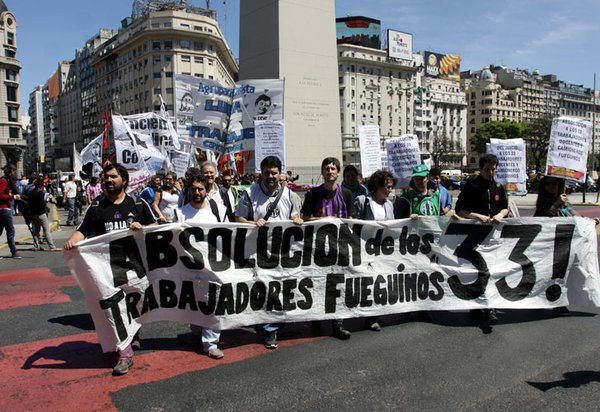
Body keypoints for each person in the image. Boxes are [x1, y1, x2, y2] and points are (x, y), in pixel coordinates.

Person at [64, 163, 157, 376]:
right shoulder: (97, 208)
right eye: (105, 177)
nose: (108, 180)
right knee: (113, 310)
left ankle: (133, 333)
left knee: (138, 306)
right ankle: (124, 354)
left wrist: (142, 228)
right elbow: (82, 232)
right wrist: (72, 240)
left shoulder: (138, 204)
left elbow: (156, 226)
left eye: (113, 177)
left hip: (135, 268)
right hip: (106, 270)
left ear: (124, 180)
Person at [235, 155, 304, 349]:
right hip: (259, 252)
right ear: (261, 173)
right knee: (265, 289)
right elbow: (239, 218)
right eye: (267, 173)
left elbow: (294, 214)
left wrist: (297, 219)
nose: (271, 176)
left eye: (274, 173)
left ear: (280, 173)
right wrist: (252, 223)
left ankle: (277, 322)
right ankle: (270, 330)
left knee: (282, 287)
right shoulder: (250, 193)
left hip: (283, 251)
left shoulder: (288, 194)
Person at [175, 175, 229, 359]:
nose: (197, 193)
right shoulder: (180, 213)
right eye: (193, 189)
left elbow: (230, 235)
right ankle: (198, 332)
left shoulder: (219, 210)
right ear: (188, 190)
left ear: (207, 190)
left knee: (213, 303)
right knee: (195, 303)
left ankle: (211, 343)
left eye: (200, 189)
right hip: (190, 268)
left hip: (214, 266)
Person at [301, 157, 354, 340]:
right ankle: (317, 317)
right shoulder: (313, 194)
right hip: (318, 247)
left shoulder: (346, 194)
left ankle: (337, 323)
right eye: (327, 168)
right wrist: (326, 221)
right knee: (318, 283)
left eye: (333, 168)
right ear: (322, 172)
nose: (330, 171)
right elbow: (304, 218)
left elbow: (351, 221)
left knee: (337, 284)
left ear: (338, 172)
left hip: (339, 247)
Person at [455, 154, 509, 324]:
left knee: (491, 271)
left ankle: (488, 306)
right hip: (474, 236)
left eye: (494, 169)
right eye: (487, 169)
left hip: (493, 238)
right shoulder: (471, 186)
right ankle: (478, 306)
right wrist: (478, 216)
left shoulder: (499, 186)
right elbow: (460, 210)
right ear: (481, 169)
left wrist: (500, 214)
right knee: (478, 271)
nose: (491, 172)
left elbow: (505, 208)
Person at [353, 169, 396, 331]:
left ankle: (376, 313)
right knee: (368, 283)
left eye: (391, 187)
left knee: (380, 282)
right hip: (366, 250)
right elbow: (354, 224)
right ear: (378, 185)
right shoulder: (362, 201)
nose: (390, 190)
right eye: (387, 186)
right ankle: (369, 316)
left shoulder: (390, 205)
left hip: (383, 251)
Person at [28, 179, 61, 252]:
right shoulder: (40, 193)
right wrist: (47, 200)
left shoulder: (31, 193)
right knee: (46, 230)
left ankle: (36, 246)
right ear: (41, 186)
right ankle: (52, 246)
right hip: (41, 213)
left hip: (33, 213)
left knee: (36, 231)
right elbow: (41, 204)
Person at [0, 164, 21, 259]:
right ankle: (14, 251)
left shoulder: (6, 181)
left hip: (5, 208)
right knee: (10, 231)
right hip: (4, 209)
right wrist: (12, 197)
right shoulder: (4, 181)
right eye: (13, 171)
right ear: (9, 171)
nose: (14, 173)